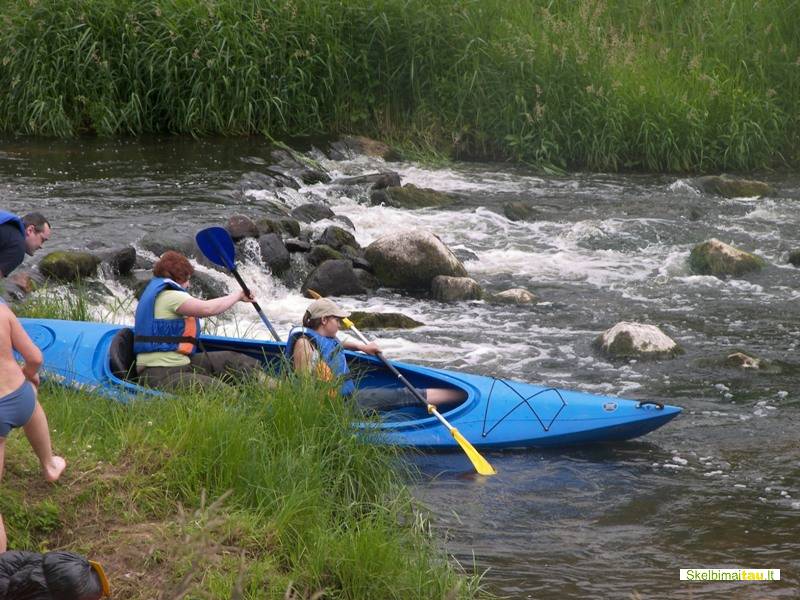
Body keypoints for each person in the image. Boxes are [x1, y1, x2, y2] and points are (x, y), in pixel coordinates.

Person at [286, 298, 466, 412]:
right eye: (337, 319)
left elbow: (335, 345)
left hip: (345, 397)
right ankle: (461, 396)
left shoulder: (324, 337)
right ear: (324, 320)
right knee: (405, 394)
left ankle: (458, 395)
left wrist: (361, 347)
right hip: (340, 405)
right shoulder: (303, 345)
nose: (340, 324)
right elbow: (306, 391)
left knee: (401, 393)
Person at [134, 250, 266, 392]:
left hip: (181, 365)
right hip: (160, 374)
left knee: (234, 361)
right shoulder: (170, 296)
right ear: (179, 277)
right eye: (188, 279)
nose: (189, 284)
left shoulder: (159, 292)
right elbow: (207, 309)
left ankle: (274, 387)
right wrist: (238, 296)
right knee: (225, 393)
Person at [0, 303, 66, 553]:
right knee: (31, 395)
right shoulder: (2, 311)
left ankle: (2, 568)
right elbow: (35, 358)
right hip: (20, 398)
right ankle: (49, 465)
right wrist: (28, 374)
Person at [0, 211, 51, 279]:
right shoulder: (17, 248)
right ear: (30, 230)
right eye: (42, 240)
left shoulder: (5, 223)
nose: (41, 246)